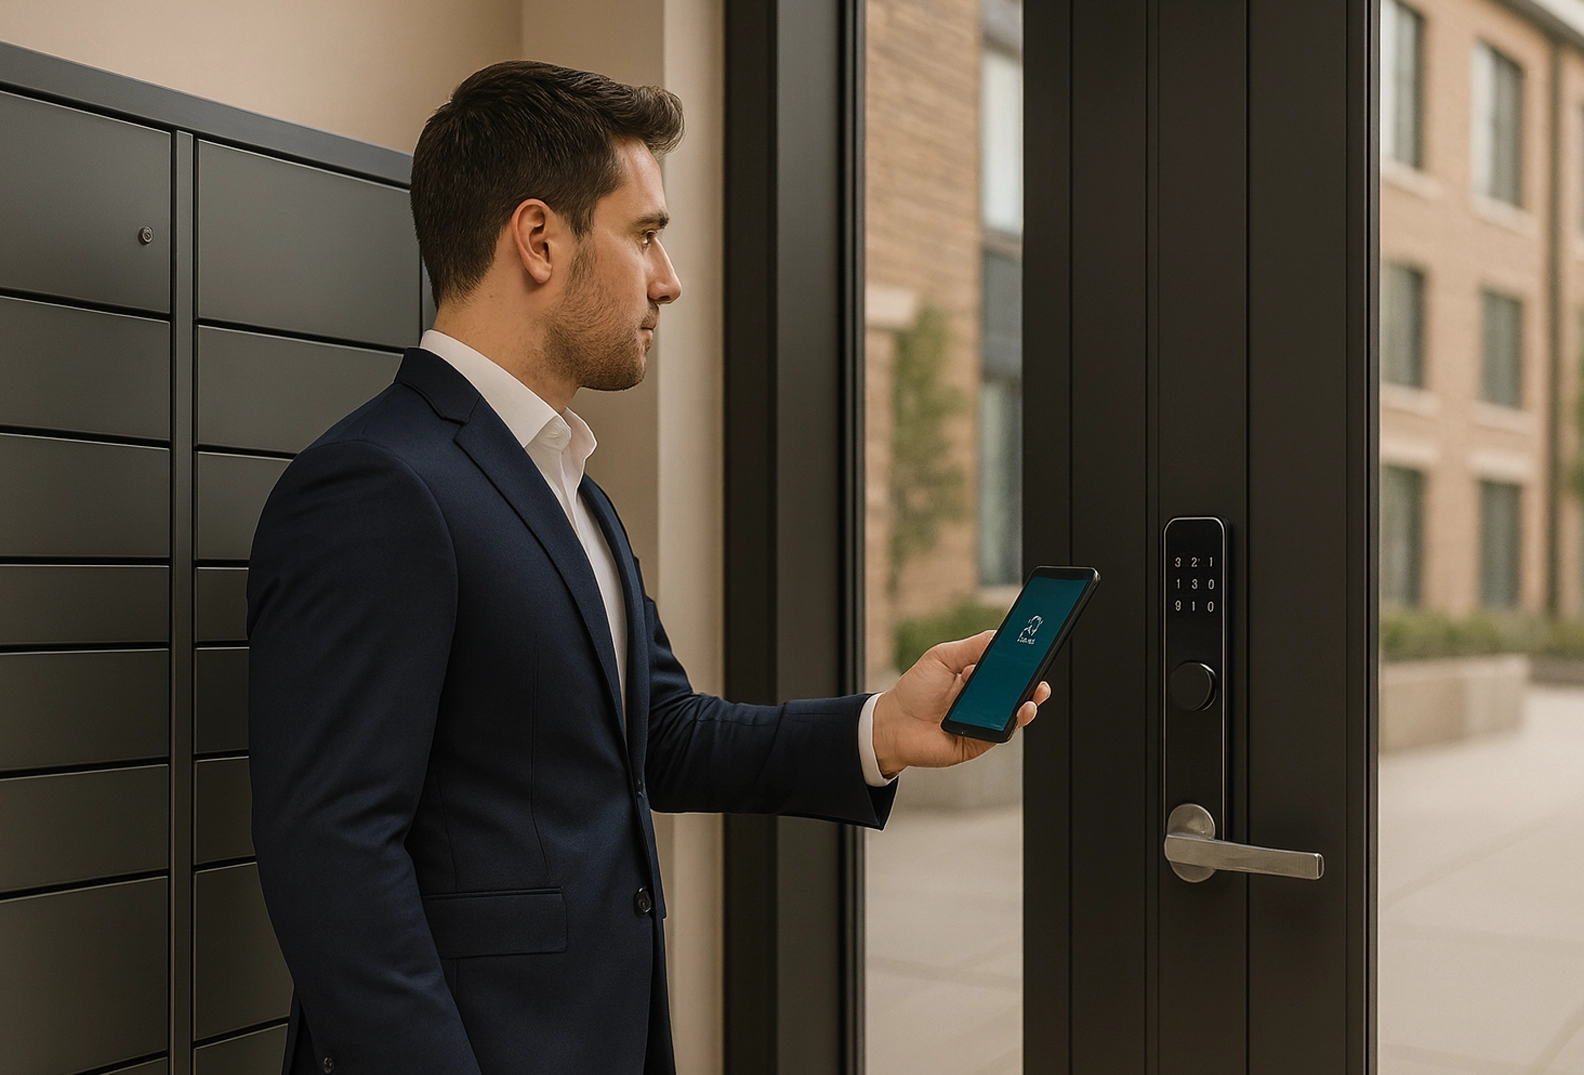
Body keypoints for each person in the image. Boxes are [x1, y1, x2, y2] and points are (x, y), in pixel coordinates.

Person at [247, 59, 1047, 1075]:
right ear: (540, 240)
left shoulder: (569, 482)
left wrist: (879, 727)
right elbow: (334, 862)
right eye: (647, 234)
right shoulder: (372, 487)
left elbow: (659, 734)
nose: (667, 279)